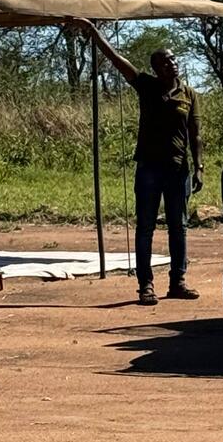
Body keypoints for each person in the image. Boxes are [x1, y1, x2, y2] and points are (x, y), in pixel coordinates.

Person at [69, 19, 202, 306]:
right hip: (149, 170)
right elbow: (117, 60)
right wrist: (93, 32)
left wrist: (199, 166)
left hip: (179, 170)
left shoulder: (189, 94)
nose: (171, 64)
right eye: (164, 62)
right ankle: (146, 285)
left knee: (179, 227)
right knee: (145, 227)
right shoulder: (147, 86)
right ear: (155, 69)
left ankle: (178, 280)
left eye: (173, 59)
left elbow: (195, 133)